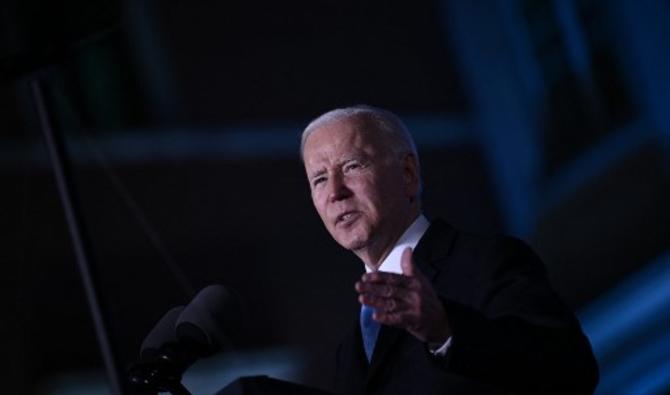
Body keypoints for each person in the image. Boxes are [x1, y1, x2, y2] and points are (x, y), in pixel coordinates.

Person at [300, 105, 599, 395]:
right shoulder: (348, 354)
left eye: (353, 166)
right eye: (320, 179)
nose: (335, 192)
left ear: (408, 174)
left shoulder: (488, 263)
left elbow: (572, 370)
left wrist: (446, 331)